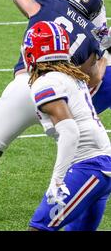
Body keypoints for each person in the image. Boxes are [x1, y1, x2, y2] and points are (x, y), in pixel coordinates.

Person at [0, 0, 106, 222]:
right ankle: (70, 189)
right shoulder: (92, 37)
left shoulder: (51, 0)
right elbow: (93, 77)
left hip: (27, 83)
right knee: (79, 150)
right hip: (64, 93)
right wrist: (101, 47)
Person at [22, 21, 111, 231]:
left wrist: (57, 180)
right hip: (101, 165)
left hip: (89, 167)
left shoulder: (46, 82)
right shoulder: (70, 77)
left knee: (38, 228)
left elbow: (70, 132)